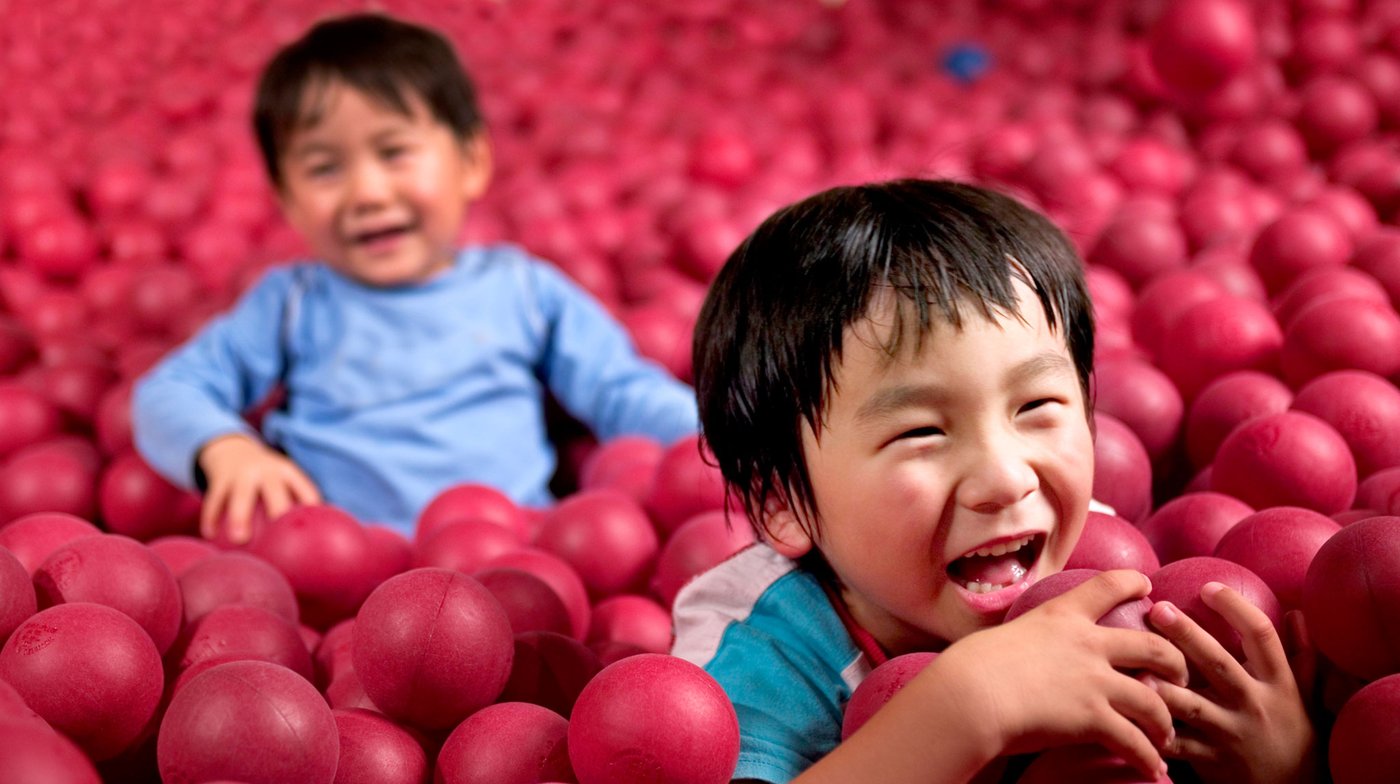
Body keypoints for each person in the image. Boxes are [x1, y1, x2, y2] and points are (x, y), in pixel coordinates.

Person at [672, 179, 1318, 784]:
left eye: (1036, 406)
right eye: (921, 432)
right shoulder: (763, 653)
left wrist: (1287, 764)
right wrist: (966, 707)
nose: (1006, 481)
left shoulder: (1107, 557)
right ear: (782, 503)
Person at [131, 13, 697, 541]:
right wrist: (226, 447)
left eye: (395, 152)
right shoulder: (292, 304)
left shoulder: (525, 292)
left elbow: (621, 389)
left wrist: (730, 441)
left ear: (471, 163)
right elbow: (169, 390)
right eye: (325, 168)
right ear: (287, 200)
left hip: (517, 563)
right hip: (340, 571)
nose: (368, 193)